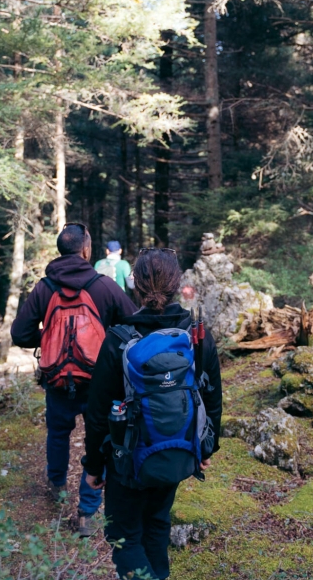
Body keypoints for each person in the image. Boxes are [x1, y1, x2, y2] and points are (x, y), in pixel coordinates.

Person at [83, 248, 223, 580]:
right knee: (157, 525)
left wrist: (93, 466)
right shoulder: (195, 334)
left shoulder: (119, 339)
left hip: (125, 461)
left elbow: (97, 412)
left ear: (136, 285)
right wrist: (206, 448)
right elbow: (212, 397)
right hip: (176, 451)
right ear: (177, 284)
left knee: (124, 536)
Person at [11, 223, 137, 537]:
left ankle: (55, 485)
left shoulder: (44, 287)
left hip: (56, 379)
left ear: (60, 250)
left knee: (58, 433)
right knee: (100, 441)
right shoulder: (103, 286)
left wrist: (49, 336)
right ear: (85, 250)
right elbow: (133, 323)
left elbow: (20, 334)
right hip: (99, 380)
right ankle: (87, 513)